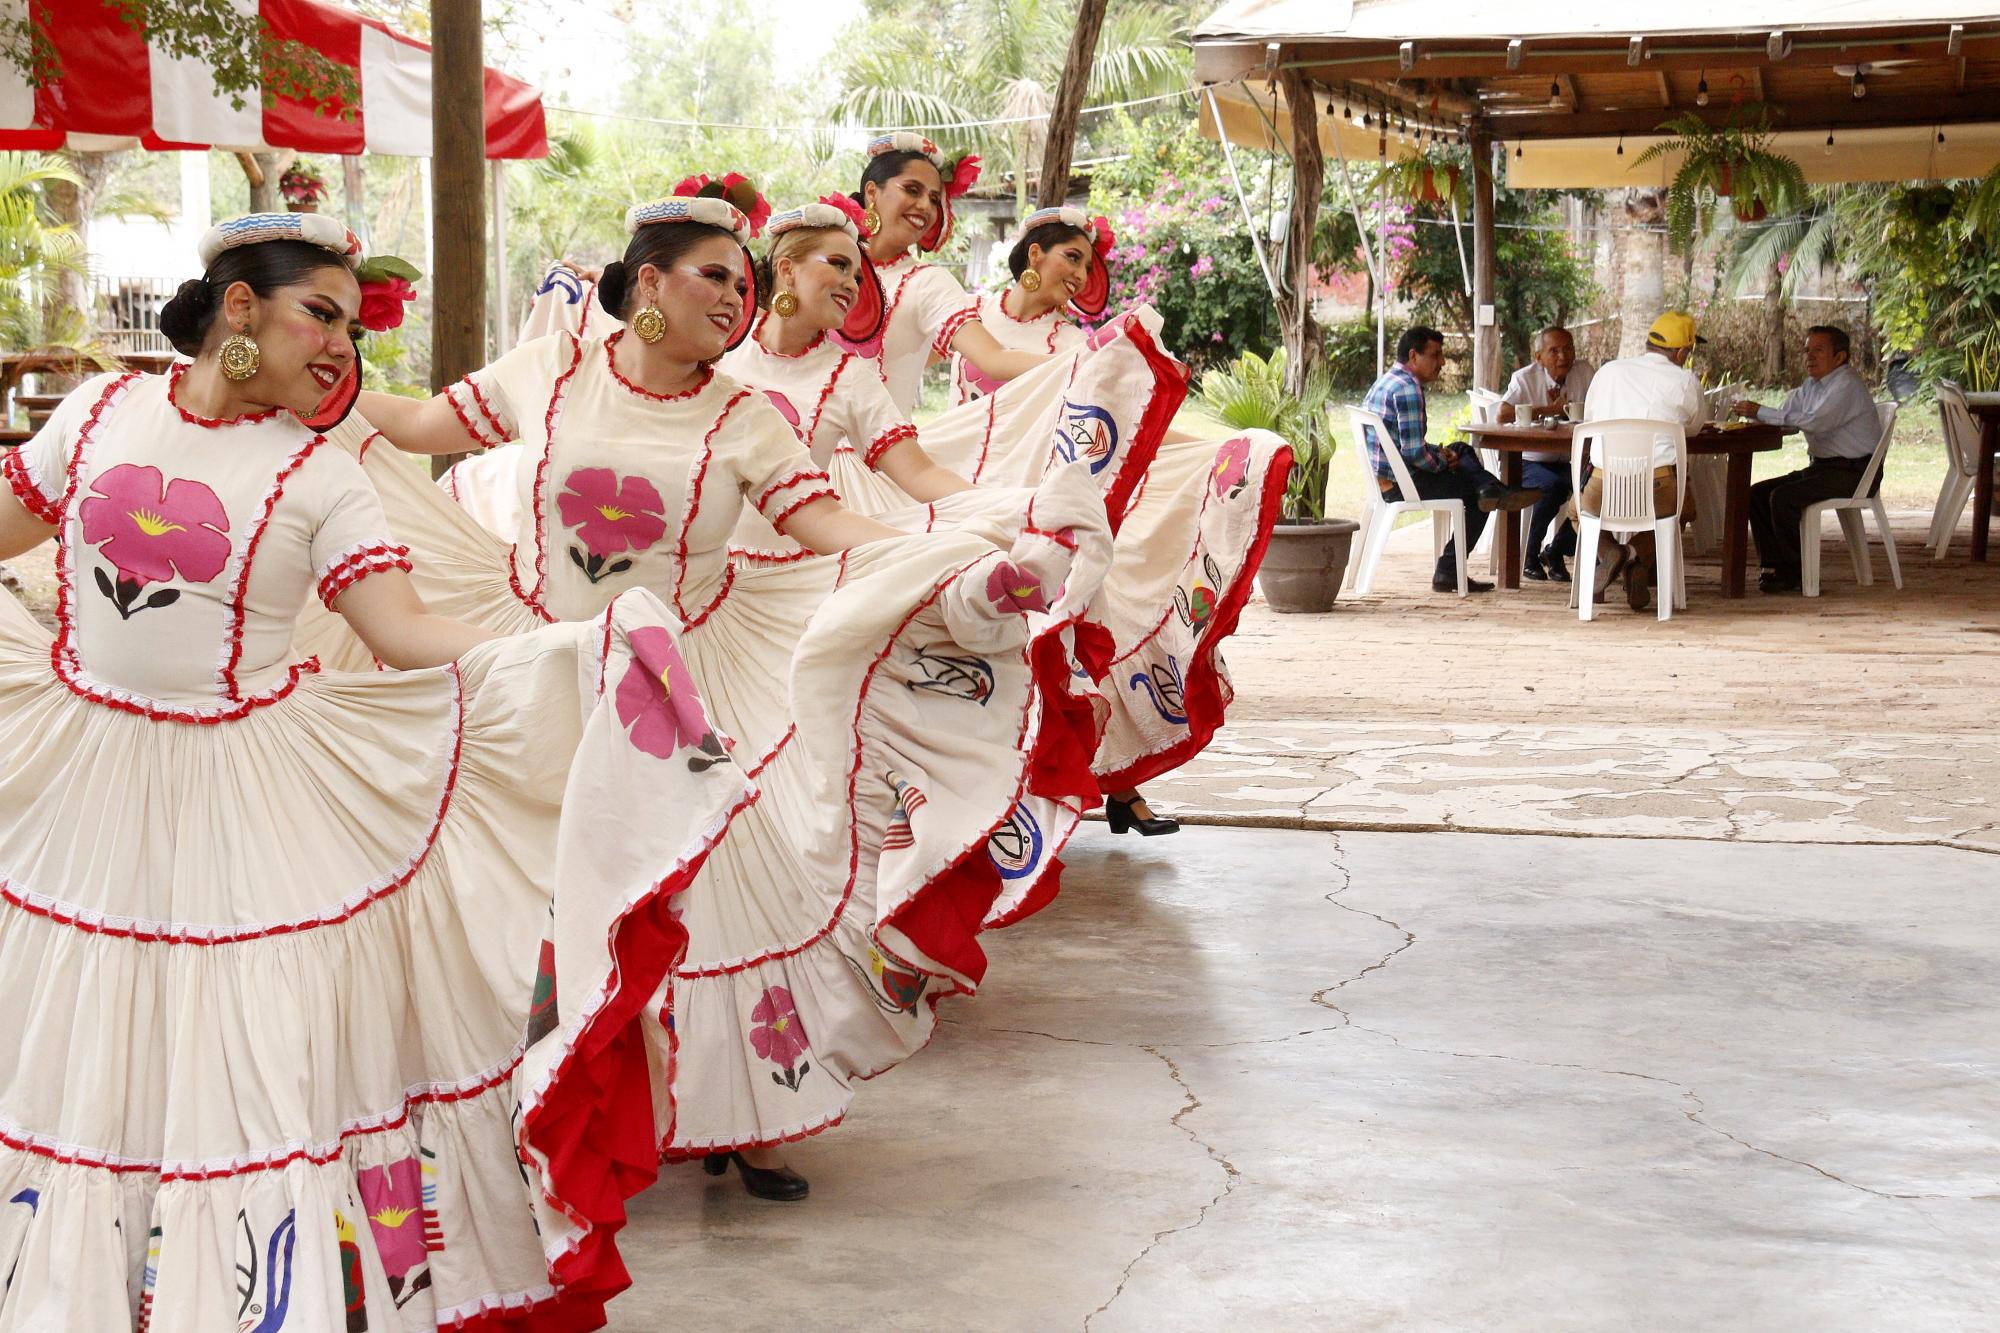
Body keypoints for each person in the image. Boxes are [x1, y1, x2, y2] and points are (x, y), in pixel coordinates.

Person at [0, 213, 747, 1326]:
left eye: (351, 326)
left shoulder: (320, 473)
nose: (342, 347)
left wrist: (572, 655)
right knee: (78, 1034)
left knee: (234, 1047)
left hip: (239, 796)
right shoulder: (101, 415)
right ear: (240, 309)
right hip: (85, 777)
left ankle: (224, 1295)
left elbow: (402, 631)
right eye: (321, 314)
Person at [330, 175, 1106, 1205]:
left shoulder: (746, 416)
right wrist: (312, 393)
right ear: (647, 280)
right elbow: (423, 424)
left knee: (705, 896)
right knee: (514, 881)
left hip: (680, 676)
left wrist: (958, 552)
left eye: (743, 283)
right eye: (713, 277)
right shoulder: (549, 369)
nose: (734, 298)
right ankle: (514, 1108)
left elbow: (833, 528)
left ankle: (739, 1117)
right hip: (532, 659)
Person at [853, 133, 1056, 416]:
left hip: (873, 457)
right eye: (912, 190)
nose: (925, 206)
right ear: (872, 192)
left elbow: (994, 359)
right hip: (795, 452)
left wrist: (1089, 359)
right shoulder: (832, 263)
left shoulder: (927, 283)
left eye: (934, 199)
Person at [1360, 325, 1542, 594]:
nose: (1442, 362)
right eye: (1435, 355)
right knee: (1477, 497)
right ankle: (1448, 570)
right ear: (1414, 356)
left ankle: (1494, 488)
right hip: (1402, 483)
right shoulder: (1409, 389)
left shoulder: (1387, 380)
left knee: (1461, 449)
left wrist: (1444, 454)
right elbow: (1413, 454)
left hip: (1388, 477)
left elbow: (1405, 444)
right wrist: (1445, 462)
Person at [1732, 325, 1880, 593]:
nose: (1809, 356)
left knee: (1783, 498)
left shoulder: (1845, 385)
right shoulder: (1812, 386)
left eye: (1818, 350)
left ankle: (1796, 571)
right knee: (1757, 494)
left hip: (1853, 473)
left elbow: (1816, 422)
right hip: (1824, 468)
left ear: (1839, 357)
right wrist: (1754, 414)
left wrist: (1762, 412)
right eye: (1807, 351)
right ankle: (1775, 567)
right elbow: (1788, 415)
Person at [1578, 311, 1707, 611]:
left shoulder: (1608, 372)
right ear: (1681, 351)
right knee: (1682, 509)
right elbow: (1692, 429)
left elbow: (1590, 419)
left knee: (1577, 510)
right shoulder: (1685, 380)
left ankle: (1612, 552)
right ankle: (1634, 558)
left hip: (1602, 486)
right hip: (1657, 487)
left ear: (1649, 343)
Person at [1497, 325, 1594, 582]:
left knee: (1596, 488)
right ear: (1539, 357)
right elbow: (1503, 414)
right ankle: (1530, 556)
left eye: (1568, 348)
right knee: (1552, 487)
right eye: (1554, 351)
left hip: (1570, 458)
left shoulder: (1584, 372)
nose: (1563, 356)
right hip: (1530, 459)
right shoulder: (1525, 378)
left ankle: (1556, 550)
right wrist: (1547, 409)